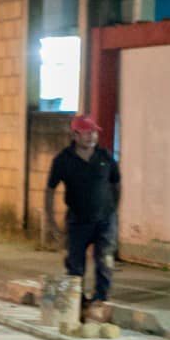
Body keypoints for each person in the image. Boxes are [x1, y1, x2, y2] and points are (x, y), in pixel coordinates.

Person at [44, 114, 120, 317]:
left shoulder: (105, 157)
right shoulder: (63, 160)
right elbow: (50, 189)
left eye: (94, 132)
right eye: (87, 133)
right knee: (75, 264)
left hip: (105, 220)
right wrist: (51, 221)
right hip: (78, 221)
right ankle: (77, 304)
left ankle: (100, 301)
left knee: (104, 260)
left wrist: (113, 210)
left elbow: (116, 184)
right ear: (75, 135)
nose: (91, 137)